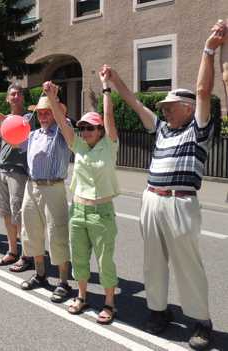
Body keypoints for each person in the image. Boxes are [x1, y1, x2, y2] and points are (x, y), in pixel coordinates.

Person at [104, 21, 224, 350]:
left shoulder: (198, 129)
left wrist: (208, 50)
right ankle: (158, 311)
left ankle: (201, 321)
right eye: (165, 108)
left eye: (171, 107)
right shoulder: (161, 129)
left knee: (188, 264)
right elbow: (133, 101)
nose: (165, 111)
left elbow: (203, 92)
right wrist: (114, 81)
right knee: (152, 261)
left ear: (188, 109)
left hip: (180, 202)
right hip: (152, 200)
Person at [44, 68, 120, 324]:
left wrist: (106, 87)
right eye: (83, 127)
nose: (85, 131)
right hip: (78, 210)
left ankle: (110, 303)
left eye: (90, 128)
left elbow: (108, 116)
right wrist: (52, 98)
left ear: (100, 131)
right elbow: (61, 121)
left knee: (105, 259)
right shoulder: (78, 145)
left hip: (101, 212)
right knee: (79, 257)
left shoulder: (109, 147)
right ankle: (82, 295)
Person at [18, 87, 73, 304]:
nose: (42, 116)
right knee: (31, 231)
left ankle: (63, 282)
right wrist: (0, 123)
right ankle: (41, 274)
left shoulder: (62, 131)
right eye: (40, 113)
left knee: (57, 234)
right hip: (32, 186)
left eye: (47, 112)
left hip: (54, 187)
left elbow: (64, 124)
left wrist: (53, 98)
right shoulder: (32, 135)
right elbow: (13, 139)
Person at [0, 82, 34, 272]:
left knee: (19, 215)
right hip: (2, 169)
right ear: (7, 98)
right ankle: (13, 251)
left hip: (18, 171)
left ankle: (26, 255)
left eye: (19, 94)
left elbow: (21, 139)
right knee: (6, 213)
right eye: (12, 94)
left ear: (23, 97)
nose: (16, 96)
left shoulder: (28, 118)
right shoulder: (4, 120)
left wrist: (2, 122)